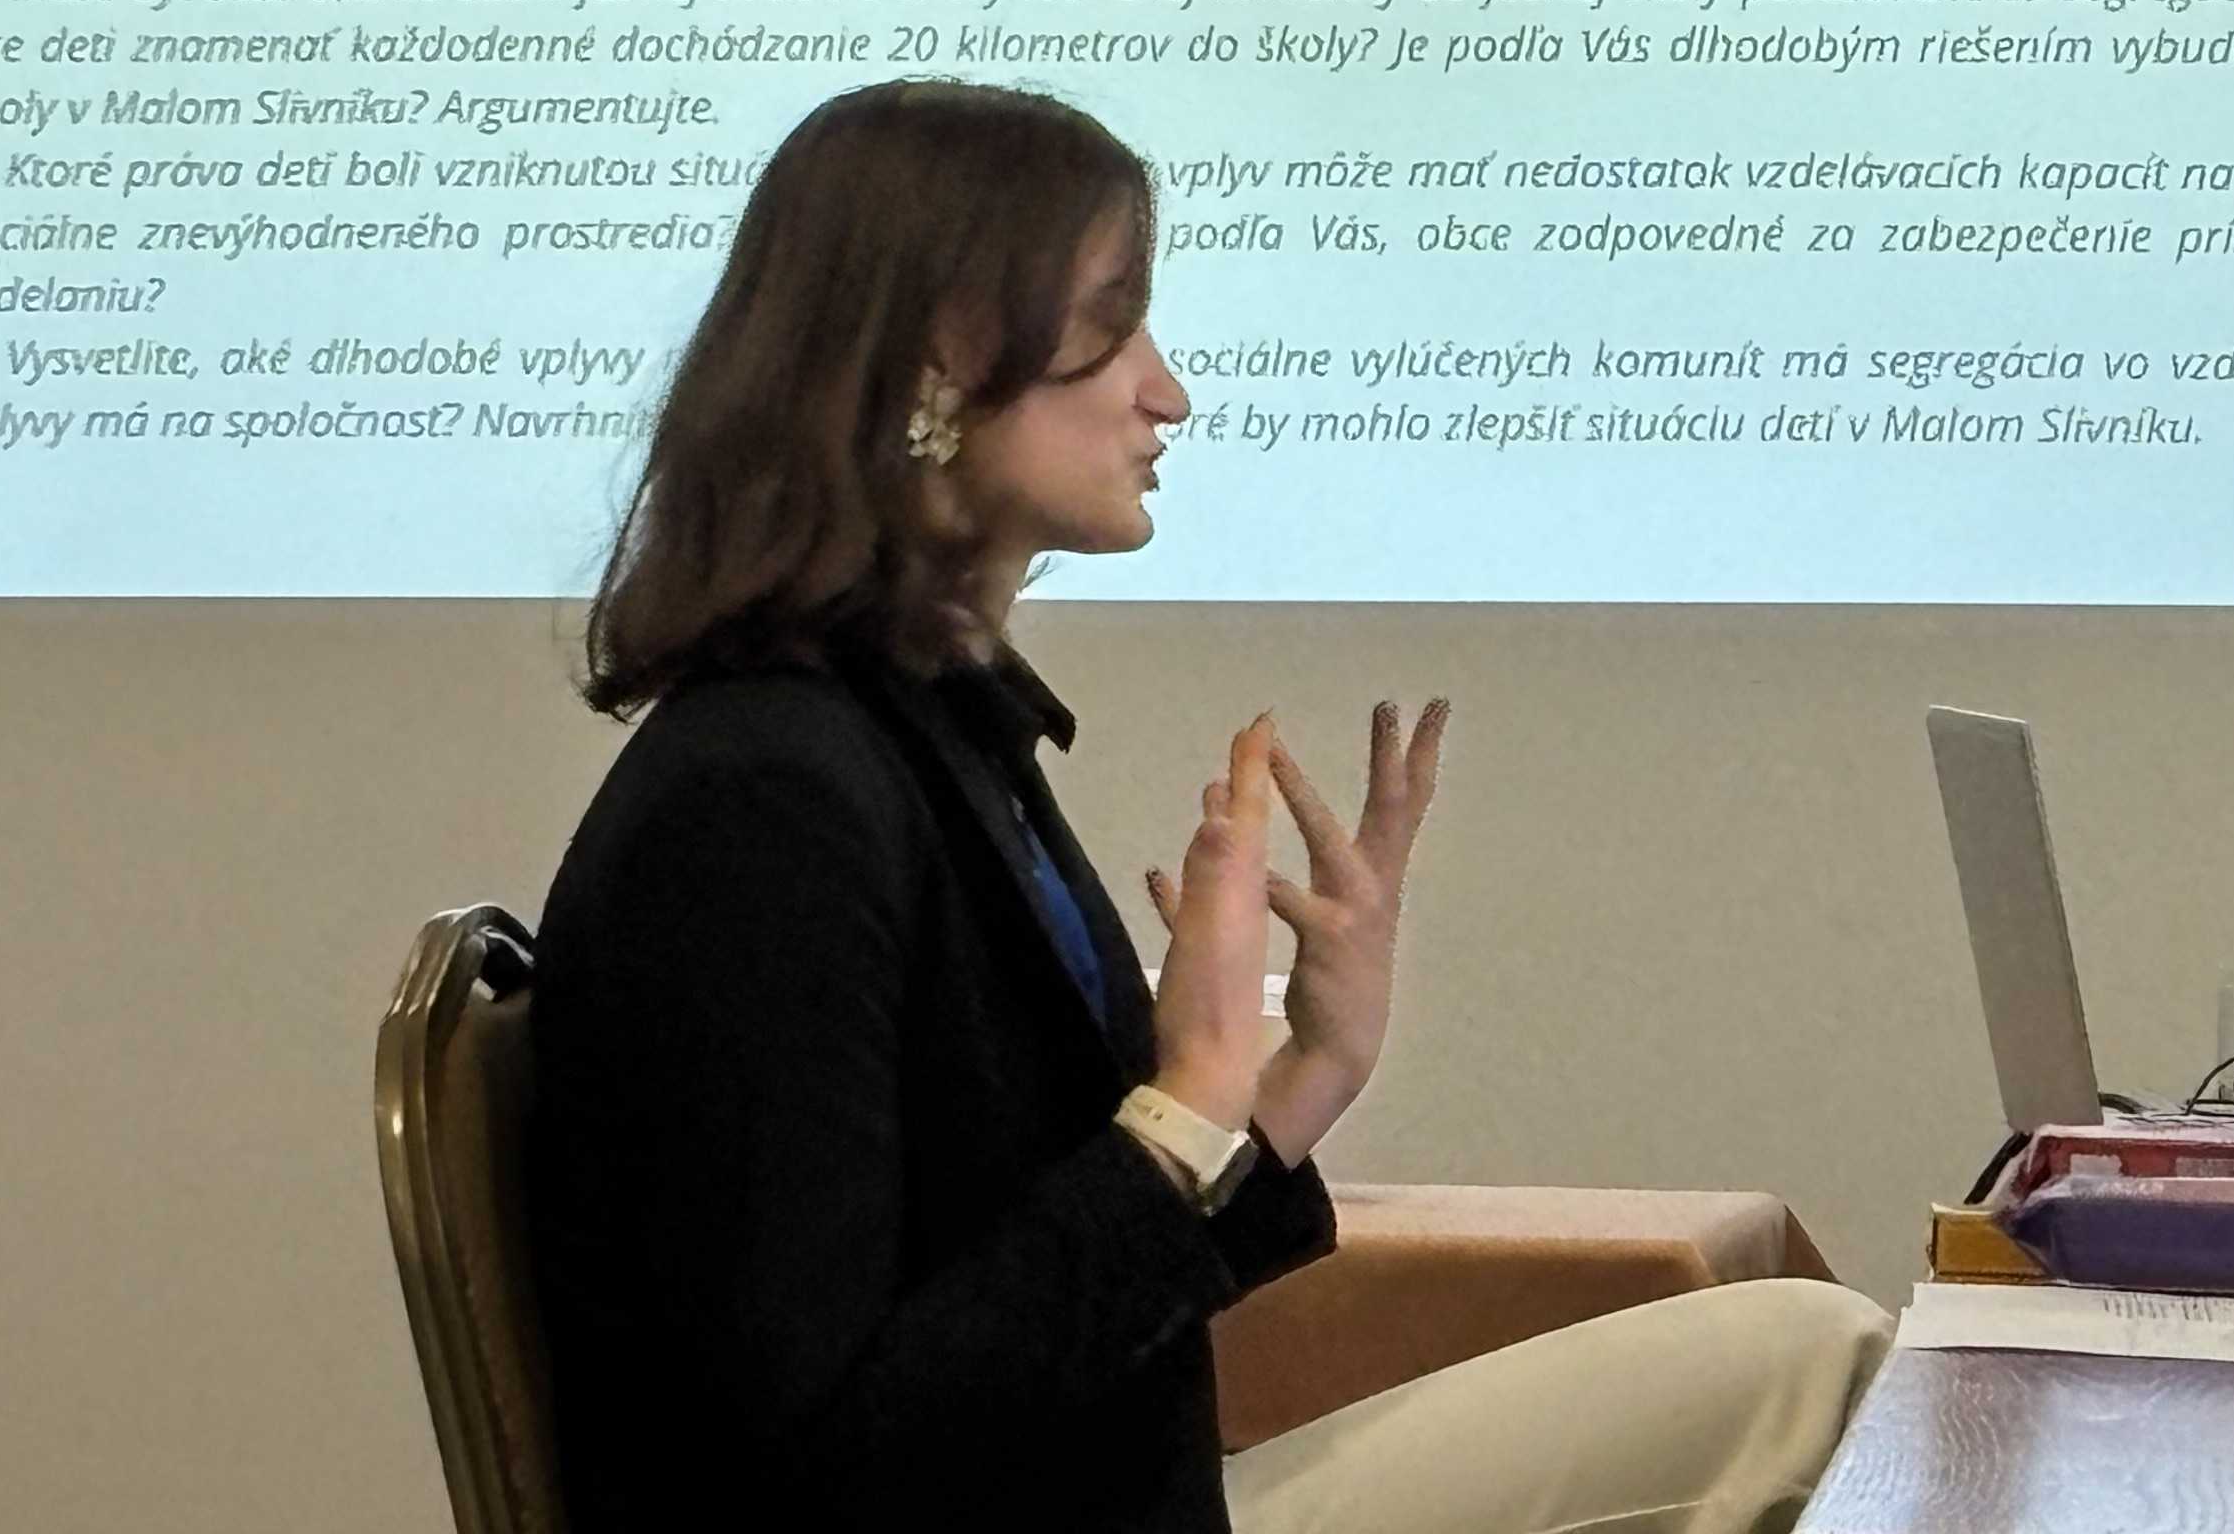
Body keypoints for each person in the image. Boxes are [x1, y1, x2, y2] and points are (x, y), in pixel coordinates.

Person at [528, 82, 1887, 1534]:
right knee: (1814, 1371)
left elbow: (1046, 1278)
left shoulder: (907, 735)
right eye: (1117, 328)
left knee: (1814, 1352)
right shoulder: (764, 808)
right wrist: (1181, 1114)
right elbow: (828, 1464)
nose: (1167, 393)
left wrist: (1297, 1082)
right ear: (944, 357)